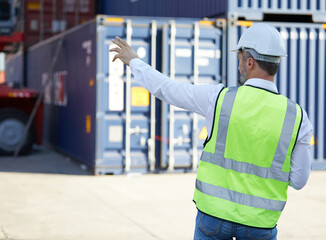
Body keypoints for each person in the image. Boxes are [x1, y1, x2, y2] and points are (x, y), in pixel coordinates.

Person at [110, 23, 312, 240]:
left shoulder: (219, 98)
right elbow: (299, 180)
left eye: (240, 59)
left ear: (250, 62)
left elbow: (167, 89)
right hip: (260, 225)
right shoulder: (297, 117)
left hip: (213, 219)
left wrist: (134, 61)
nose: (239, 66)